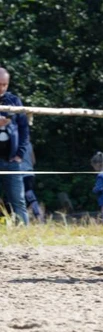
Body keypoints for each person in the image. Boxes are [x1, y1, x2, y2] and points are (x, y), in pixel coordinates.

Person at [0, 67, 29, 224]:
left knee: (18, 200)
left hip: (12, 160)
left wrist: (20, 154)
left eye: (5, 84)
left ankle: (24, 236)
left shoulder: (14, 101)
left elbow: (24, 130)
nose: (2, 88)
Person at [20, 138, 44, 222]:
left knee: (28, 197)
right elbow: (33, 161)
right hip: (30, 174)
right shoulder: (29, 144)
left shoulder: (15, 144)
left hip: (21, 174)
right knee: (29, 196)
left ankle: (39, 217)